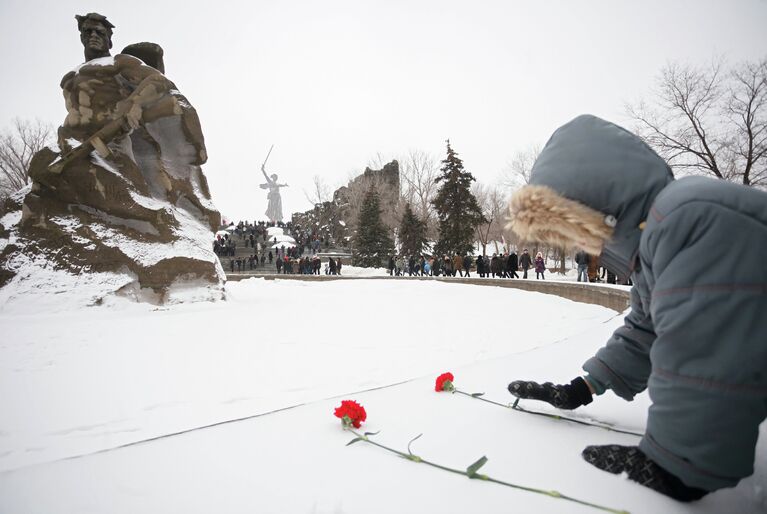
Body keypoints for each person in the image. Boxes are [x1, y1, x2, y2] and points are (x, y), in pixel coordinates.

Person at [506, 114, 767, 502]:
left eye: (574, 228)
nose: (582, 244)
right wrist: (581, 389)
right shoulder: (658, 240)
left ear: (600, 207)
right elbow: (645, 330)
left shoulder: (688, 216)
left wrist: (679, 465)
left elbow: (706, 346)